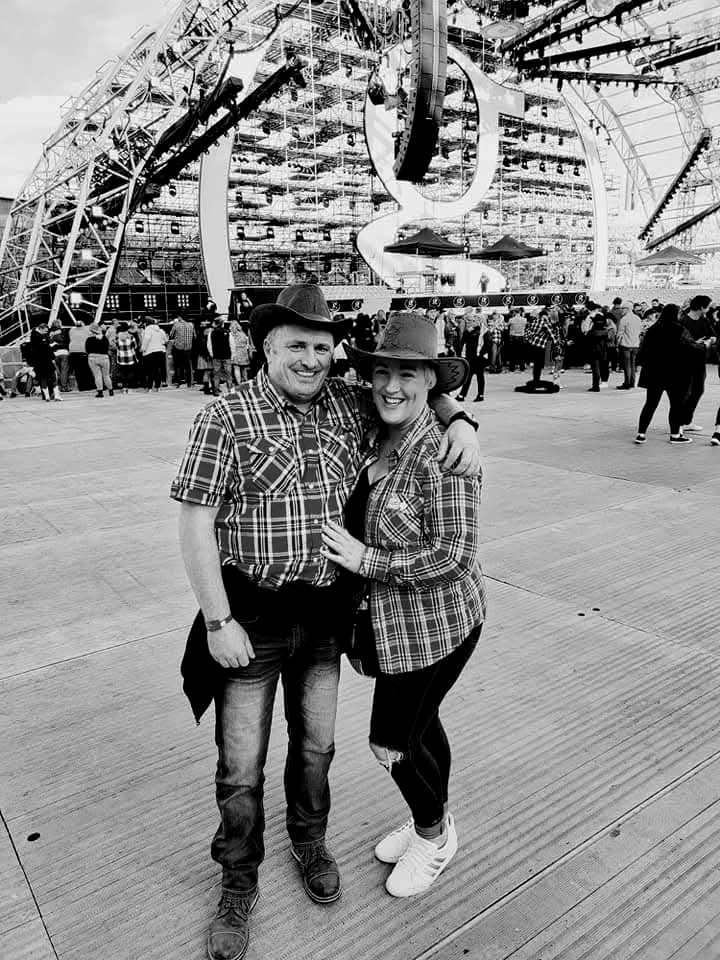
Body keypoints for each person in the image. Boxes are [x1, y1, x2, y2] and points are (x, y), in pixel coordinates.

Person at [171, 284, 480, 960]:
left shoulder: (347, 403)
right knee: (240, 766)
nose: (310, 358)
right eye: (295, 345)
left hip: (323, 623)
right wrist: (217, 619)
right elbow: (194, 522)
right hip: (248, 620)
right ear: (264, 347)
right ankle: (237, 879)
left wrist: (461, 418)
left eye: (320, 346)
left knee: (317, 750)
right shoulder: (225, 416)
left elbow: (413, 386)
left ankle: (309, 842)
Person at [320, 311, 486, 898]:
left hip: (437, 626)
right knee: (421, 728)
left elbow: (452, 555)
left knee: (390, 742)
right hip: (391, 627)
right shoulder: (372, 422)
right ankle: (432, 822)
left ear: (430, 380)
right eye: (383, 371)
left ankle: (435, 837)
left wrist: (368, 561)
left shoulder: (444, 458)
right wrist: (460, 412)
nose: (392, 385)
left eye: (409, 374)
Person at [634, 303, 704, 444]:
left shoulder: (653, 329)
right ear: (675, 314)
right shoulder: (680, 329)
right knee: (676, 404)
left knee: (650, 403)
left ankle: (641, 434)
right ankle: (675, 435)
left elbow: (643, 349)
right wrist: (703, 345)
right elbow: (691, 347)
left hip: (655, 372)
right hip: (675, 373)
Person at [678, 295, 714, 433]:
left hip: (700, 361)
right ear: (701, 307)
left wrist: (710, 341)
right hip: (685, 362)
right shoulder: (683, 321)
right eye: (708, 306)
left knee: (698, 390)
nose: (709, 309)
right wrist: (695, 343)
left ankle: (687, 420)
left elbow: (713, 335)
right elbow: (680, 343)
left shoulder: (704, 320)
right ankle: (679, 423)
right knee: (684, 392)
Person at [457, 311, 487, 402]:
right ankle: (463, 395)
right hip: (471, 357)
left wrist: (482, 355)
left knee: (478, 376)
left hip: (477, 358)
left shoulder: (483, 332)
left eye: (475, 320)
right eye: (471, 320)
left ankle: (478, 395)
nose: (472, 322)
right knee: (470, 376)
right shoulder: (471, 331)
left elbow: (487, 345)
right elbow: (462, 342)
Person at [30, 320, 61, 401]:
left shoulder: (35, 335)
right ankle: (54, 395)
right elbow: (44, 348)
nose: (46, 332)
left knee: (43, 378)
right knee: (53, 377)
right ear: (41, 329)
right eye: (45, 331)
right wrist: (51, 347)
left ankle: (47, 396)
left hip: (40, 361)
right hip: (45, 360)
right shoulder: (37, 337)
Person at [615, 306, 642, 389]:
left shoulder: (624, 319)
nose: (621, 310)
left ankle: (627, 382)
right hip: (635, 344)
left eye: (623, 309)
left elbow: (620, 333)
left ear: (627, 309)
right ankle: (632, 382)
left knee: (627, 365)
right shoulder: (637, 318)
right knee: (633, 364)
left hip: (626, 344)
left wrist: (617, 344)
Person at [85, 321, 114, 397]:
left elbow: (87, 350)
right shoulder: (104, 338)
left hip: (93, 357)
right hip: (104, 357)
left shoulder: (89, 339)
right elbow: (107, 348)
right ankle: (111, 390)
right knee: (106, 375)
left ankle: (100, 392)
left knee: (97, 375)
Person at [140, 316, 168, 391]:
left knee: (150, 370)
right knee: (157, 370)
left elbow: (146, 340)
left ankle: (149, 387)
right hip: (160, 352)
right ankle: (157, 387)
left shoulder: (148, 330)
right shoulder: (161, 330)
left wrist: (142, 349)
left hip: (150, 352)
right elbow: (165, 340)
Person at [169, 312, 195, 387]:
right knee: (188, 366)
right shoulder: (191, 325)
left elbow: (171, 335)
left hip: (178, 348)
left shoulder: (176, 325)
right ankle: (189, 382)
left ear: (180, 317)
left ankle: (178, 382)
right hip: (188, 348)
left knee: (178, 366)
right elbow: (194, 336)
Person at [115, 322, 138, 392]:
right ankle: (130, 387)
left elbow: (116, 346)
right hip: (130, 357)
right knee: (130, 372)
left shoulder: (117, 337)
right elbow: (135, 346)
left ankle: (124, 388)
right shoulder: (131, 336)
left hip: (121, 358)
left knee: (123, 373)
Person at [49, 320, 70, 392]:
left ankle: (58, 386)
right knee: (64, 370)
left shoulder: (49, 333)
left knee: (58, 371)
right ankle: (64, 386)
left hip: (54, 354)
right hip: (63, 352)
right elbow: (67, 341)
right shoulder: (63, 331)